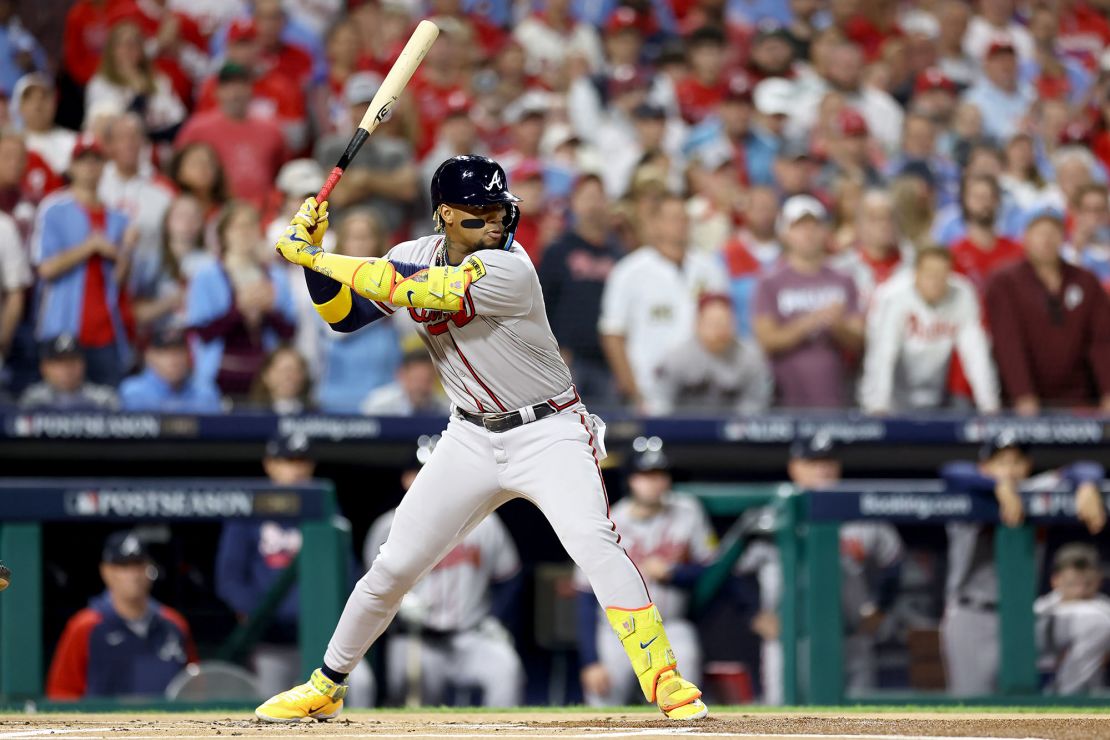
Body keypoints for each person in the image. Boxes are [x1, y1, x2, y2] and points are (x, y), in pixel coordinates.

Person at [259, 154, 709, 722]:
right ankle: (326, 681)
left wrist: (319, 255)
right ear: (444, 215)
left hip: (548, 429)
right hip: (469, 433)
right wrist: (314, 264)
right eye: (480, 213)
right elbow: (342, 315)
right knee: (395, 564)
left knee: (594, 541)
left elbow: (427, 292)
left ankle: (664, 676)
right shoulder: (413, 253)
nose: (496, 223)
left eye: (500, 209)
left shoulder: (510, 267)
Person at [736, 436, 904, 704]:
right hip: (789, 636)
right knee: (783, 720)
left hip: (849, 637)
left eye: (828, 461)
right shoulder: (770, 516)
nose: (823, 469)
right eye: (813, 462)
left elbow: (893, 563)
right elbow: (735, 571)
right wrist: (754, 613)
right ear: (795, 468)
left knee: (858, 721)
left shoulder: (860, 510)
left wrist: (880, 607)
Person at [939, 434, 1107, 697]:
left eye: (1017, 461)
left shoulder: (1034, 491)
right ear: (985, 466)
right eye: (1001, 461)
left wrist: (1086, 486)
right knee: (974, 719)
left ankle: (1062, 704)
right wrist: (996, 484)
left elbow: (1084, 467)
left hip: (1023, 618)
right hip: (973, 618)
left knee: (1095, 624)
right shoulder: (970, 491)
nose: (1011, 467)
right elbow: (952, 471)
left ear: (1027, 466)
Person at [216, 433, 371, 705]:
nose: (297, 469)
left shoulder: (327, 508)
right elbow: (229, 579)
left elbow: (346, 576)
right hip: (271, 643)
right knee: (270, 707)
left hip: (324, 643)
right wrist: (256, 614)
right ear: (270, 464)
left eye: (302, 461)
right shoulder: (249, 510)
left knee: (362, 687)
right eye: (288, 461)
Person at [364, 445, 525, 707]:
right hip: (415, 639)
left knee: (506, 669)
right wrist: (399, 606)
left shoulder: (484, 522)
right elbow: (370, 589)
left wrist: (496, 618)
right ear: (407, 479)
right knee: (404, 692)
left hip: (471, 635)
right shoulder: (387, 527)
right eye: (421, 473)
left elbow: (509, 578)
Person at [576, 441, 716, 706]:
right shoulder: (608, 522)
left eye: (660, 474)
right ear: (631, 479)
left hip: (671, 626)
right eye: (645, 475)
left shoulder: (688, 511)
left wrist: (675, 573)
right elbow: (584, 594)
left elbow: (711, 570)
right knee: (602, 702)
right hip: (617, 633)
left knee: (685, 697)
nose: (654, 483)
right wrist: (590, 661)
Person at [599, 192, 725, 411]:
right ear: (655, 224)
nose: (681, 225)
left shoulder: (710, 268)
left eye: (685, 218)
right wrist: (634, 393)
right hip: (651, 392)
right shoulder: (629, 272)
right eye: (673, 218)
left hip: (705, 393)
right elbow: (613, 336)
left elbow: (724, 324)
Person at [31, 133, 135, 387]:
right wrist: (89, 247)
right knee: (58, 411)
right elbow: (46, 268)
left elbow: (120, 282)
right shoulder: (54, 209)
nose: (90, 166)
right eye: (83, 160)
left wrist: (127, 251)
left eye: (96, 160)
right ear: (72, 167)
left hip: (107, 330)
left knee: (109, 409)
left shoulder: (118, 217)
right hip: (63, 326)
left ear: (104, 166)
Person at [985, 208, 1110, 414]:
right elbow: (1008, 343)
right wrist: (1022, 394)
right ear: (1025, 239)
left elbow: (1102, 341)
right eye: (1040, 234)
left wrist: (1108, 391)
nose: (1047, 240)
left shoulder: (1086, 281)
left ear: (1063, 238)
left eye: (1053, 233)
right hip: (1024, 402)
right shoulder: (1004, 283)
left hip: (1080, 400)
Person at [46, 531, 198, 699]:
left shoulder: (174, 624)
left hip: (166, 724)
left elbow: (195, 690)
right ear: (106, 571)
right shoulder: (85, 627)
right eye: (124, 566)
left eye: (139, 565)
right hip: (104, 724)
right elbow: (62, 694)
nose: (133, 575)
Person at [752, 195, 864, 408]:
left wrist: (838, 326)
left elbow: (859, 341)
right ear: (785, 233)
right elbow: (767, 340)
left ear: (825, 231)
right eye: (799, 227)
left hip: (837, 394)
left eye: (815, 225)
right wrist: (811, 321)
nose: (808, 233)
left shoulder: (844, 278)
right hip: (784, 397)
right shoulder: (769, 282)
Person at [861, 247, 1000, 415]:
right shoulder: (892, 295)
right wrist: (877, 406)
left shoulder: (963, 294)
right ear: (916, 273)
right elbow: (882, 355)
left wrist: (990, 405)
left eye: (942, 275)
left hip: (938, 396)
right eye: (929, 274)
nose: (935, 281)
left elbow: (976, 353)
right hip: (893, 400)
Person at [185, 201, 296, 399]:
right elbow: (202, 331)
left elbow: (289, 331)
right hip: (221, 377)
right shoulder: (206, 276)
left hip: (265, 379)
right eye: (238, 227)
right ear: (224, 233)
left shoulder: (276, 276)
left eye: (250, 226)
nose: (245, 233)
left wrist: (269, 310)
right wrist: (239, 310)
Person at [537, 174, 624, 406]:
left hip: (609, 363)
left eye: (599, 197)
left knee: (608, 432)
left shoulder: (619, 255)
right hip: (569, 359)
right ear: (573, 203)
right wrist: (553, 353)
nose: (594, 204)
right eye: (587, 197)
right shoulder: (558, 251)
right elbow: (539, 306)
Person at [174, 63, 286, 208]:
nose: (235, 93)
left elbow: (281, 174)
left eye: (240, 85)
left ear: (251, 89)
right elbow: (177, 171)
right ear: (216, 91)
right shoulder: (197, 129)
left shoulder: (271, 129)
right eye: (228, 86)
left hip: (262, 213)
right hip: (214, 212)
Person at [651, 294, 772, 416]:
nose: (720, 330)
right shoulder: (676, 358)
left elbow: (756, 404)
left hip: (734, 429)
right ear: (697, 324)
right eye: (713, 323)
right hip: (681, 429)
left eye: (725, 322)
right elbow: (660, 404)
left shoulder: (751, 358)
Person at [1035, 543, 1110, 696]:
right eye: (1073, 583)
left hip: (1088, 693)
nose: (1080, 589)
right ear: (1055, 580)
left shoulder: (1102, 612)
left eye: (1087, 583)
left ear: (1098, 579)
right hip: (1036, 685)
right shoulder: (1039, 608)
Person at [948, 174, 1025, 290]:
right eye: (978, 197)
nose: (985, 203)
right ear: (965, 201)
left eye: (990, 197)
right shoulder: (954, 254)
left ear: (998, 201)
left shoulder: (1017, 250)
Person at [118, 327, 221, 413]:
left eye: (179, 352)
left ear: (188, 356)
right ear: (149, 356)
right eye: (165, 353)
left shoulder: (205, 392)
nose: (173, 361)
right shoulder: (133, 392)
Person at [19, 334, 119, 410]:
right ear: (44, 367)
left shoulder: (103, 400)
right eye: (60, 362)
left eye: (72, 361)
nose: (67, 369)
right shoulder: (33, 401)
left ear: (84, 364)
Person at [13, 73, 76, 177]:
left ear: (54, 103)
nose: (38, 104)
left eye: (44, 97)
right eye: (30, 99)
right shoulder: (11, 146)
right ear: (19, 107)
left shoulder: (72, 142)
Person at [361, 348, 450, 417]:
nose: (421, 387)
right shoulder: (379, 405)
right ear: (401, 375)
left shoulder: (445, 408)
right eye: (416, 379)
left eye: (427, 380)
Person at [248, 345, 313, 414]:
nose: (289, 376)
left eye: (296, 370)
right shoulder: (250, 413)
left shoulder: (315, 415)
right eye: (283, 370)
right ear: (266, 375)